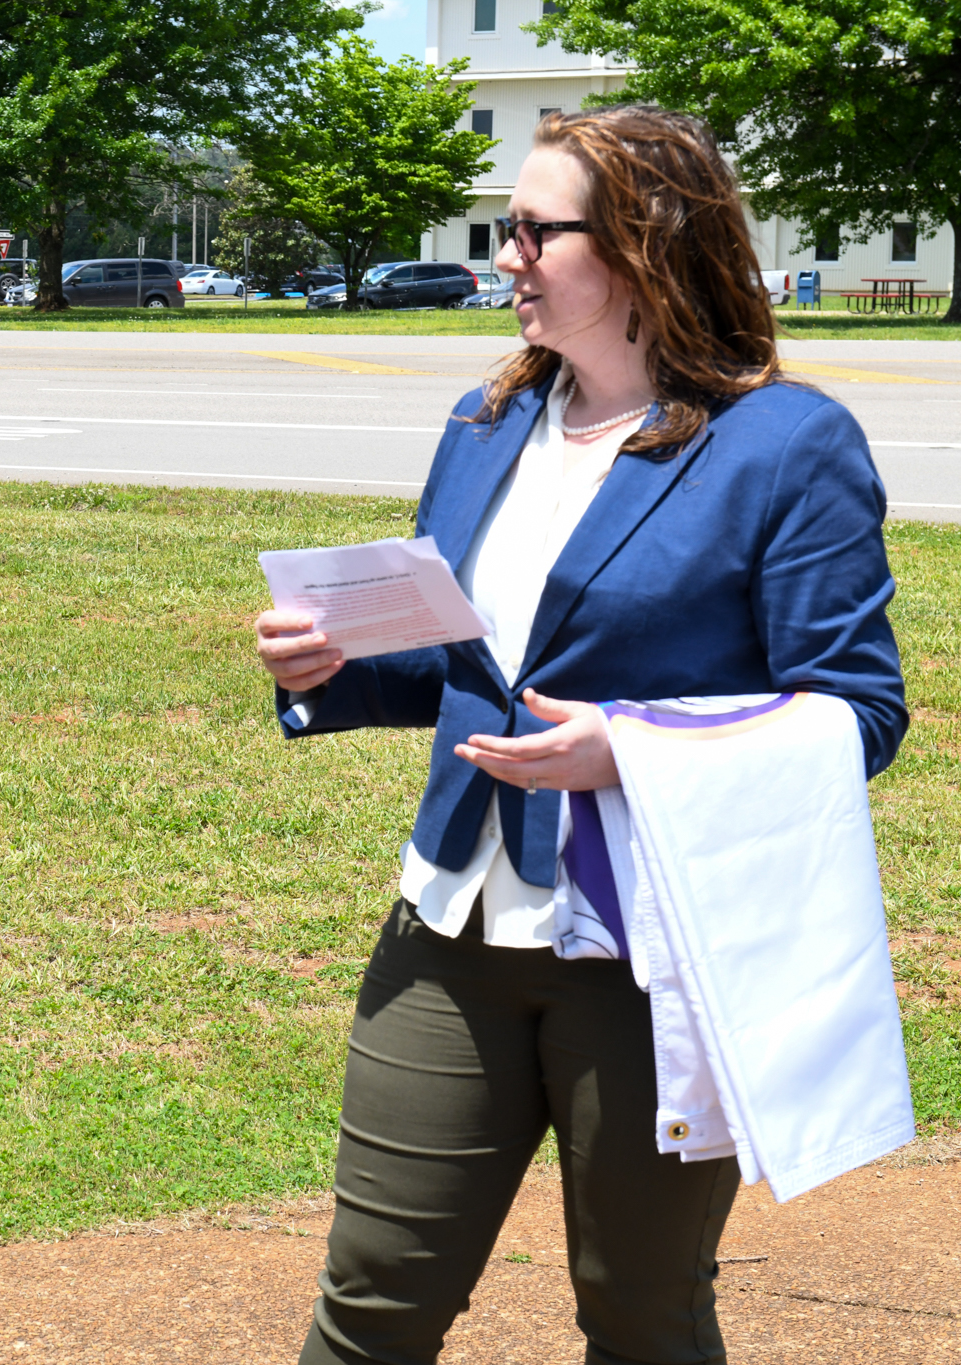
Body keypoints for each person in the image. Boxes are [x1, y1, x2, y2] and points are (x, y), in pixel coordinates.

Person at [254, 106, 906, 1364]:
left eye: (532, 232)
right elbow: (469, 668)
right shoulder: (485, 420)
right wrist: (330, 669)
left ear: (640, 243)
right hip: (449, 927)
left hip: (647, 950)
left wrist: (633, 750)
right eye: (503, 230)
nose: (505, 257)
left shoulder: (784, 444)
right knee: (371, 1300)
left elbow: (856, 711)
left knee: (639, 1312)